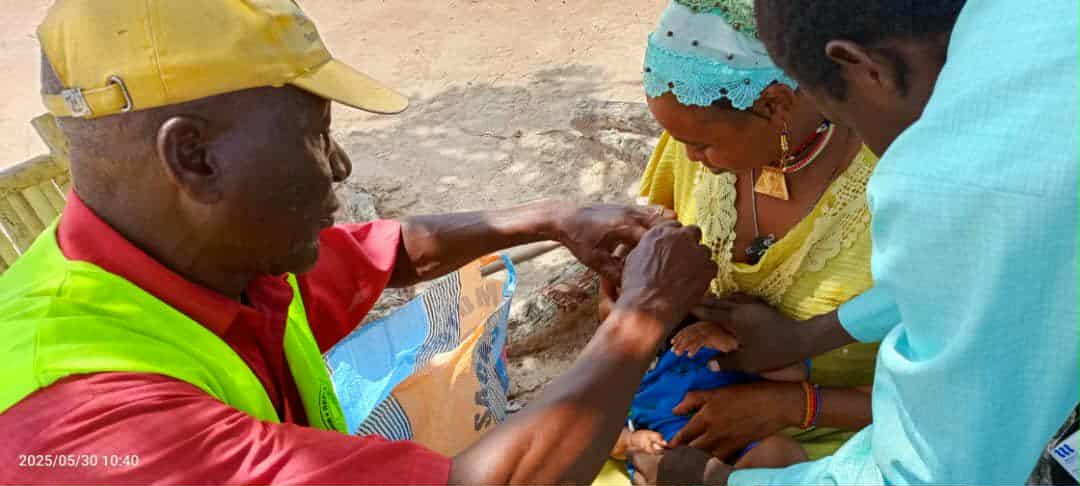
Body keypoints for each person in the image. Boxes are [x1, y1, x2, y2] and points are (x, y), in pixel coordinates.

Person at [0, 1, 722, 484]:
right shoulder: (90, 426)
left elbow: (385, 254)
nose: (339, 166)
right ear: (193, 157)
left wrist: (553, 216)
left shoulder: (192, 262)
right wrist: (644, 313)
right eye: (313, 138)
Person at [632, 0, 1080, 483]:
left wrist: (724, 478)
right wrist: (812, 335)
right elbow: (961, 271)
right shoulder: (1039, 24)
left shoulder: (944, 183)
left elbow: (936, 465)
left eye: (834, 109)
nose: (860, 141)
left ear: (863, 69)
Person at [595, 2, 879, 482]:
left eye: (703, 145)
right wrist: (635, 301)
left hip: (830, 446)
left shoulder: (891, 189)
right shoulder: (697, 132)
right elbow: (656, 257)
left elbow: (951, 398)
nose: (690, 157)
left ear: (774, 104)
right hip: (664, 425)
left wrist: (790, 404)